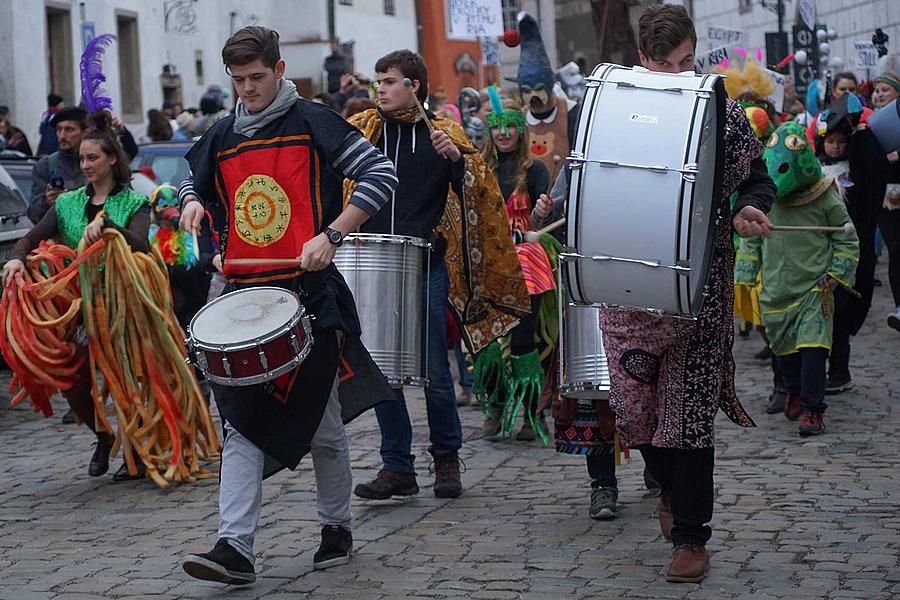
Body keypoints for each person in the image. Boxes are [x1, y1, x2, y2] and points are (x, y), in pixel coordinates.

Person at [176, 26, 398, 584]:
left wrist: (334, 234)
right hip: (244, 300)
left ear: (279, 70)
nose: (248, 89)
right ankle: (235, 546)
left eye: (257, 77)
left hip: (309, 298)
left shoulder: (314, 122)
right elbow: (189, 178)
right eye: (239, 80)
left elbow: (379, 174)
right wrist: (192, 205)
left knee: (322, 428)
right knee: (240, 424)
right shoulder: (223, 134)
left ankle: (336, 525)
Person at [592, 5, 775, 583]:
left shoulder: (718, 104)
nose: (681, 74)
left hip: (700, 287)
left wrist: (751, 206)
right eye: (667, 64)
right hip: (628, 290)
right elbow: (590, 175)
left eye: (689, 61)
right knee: (639, 413)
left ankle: (693, 539)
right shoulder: (615, 105)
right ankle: (668, 484)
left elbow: (758, 176)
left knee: (690, 416)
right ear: (642, 59)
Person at [347, 50, 529, 501]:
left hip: (425, 265)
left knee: (432, 370)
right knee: (381, 370)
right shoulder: (364, 130)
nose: (380, 90)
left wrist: (455, 162)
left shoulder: (442, 134)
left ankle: (446, 459)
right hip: (374, 265)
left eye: (389, 81)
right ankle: (397, 467)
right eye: (378, 82)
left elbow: (478, 193)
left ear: (415, 86)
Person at [2, 111, 151, 480]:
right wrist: (18, 259)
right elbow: (30, 236)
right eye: (82, 158)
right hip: (77, 307)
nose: (85, 165)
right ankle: (103, 436)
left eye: (93, 158)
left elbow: (142, 244)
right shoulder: (67, 204)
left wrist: (110, 227)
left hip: (122, 304)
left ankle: (137, 454)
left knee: (127, 381)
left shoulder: (134, 202)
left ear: (112, 159)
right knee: (73, 383)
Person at [736, 121, 859, 435]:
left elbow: (847, 239)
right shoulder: (767, 200)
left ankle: (814, 409)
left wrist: (835, 275)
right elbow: (750, 239)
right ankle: (792, 388)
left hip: (814, 290)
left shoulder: (825, 197)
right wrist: (746, 275)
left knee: (814, 349)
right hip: (776, 289)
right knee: (786, 352)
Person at [475, 93, 555, 442]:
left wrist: (540, 214)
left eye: (510, 126)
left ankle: (531, 414)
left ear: (521, 131)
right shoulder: (480, 168)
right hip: (491, 263)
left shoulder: (535, 169)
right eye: (498, 127)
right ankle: (495, 405)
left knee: (524, 341)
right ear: (490, 132)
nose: (504, 133)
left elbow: (543, 218)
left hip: (527, 263)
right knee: (489, 340)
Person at [827, 53, 899, 388]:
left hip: (855, 245)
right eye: (832, 141)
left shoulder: (867, 144)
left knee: (843, 310)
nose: (836, 145)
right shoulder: (823, 149)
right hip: (823, 248)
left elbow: (877, 178)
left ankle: (838, 370)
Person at [29, 107, 139, 225]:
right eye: (59, 130)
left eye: (69, 130)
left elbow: (128, 210)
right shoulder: (46, 166)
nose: (62, 136)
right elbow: (33, 215)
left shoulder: (103, 164)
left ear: (84, 132)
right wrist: (47, 202)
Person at [516, 13, 580, 185]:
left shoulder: (572, 113)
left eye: (538, 89)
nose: (533, 96)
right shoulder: (518, 120)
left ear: (551, 84)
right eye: (527, 91)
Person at [870, 54, 900, 331]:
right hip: (886, 199)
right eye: (877, 90)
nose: (879, 94)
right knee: (896, 250)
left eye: (885, 89)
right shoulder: (870, 122)